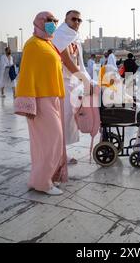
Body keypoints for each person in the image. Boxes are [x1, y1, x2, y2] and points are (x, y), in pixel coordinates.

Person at [14, 11, 77, 196]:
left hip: (53, 98)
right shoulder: (32, 45)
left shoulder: (48, 44)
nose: (53, 23)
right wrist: (28, 104)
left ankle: (39, 179)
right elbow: (26, 75)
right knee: (53, 140)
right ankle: (43, 183)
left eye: (55, 21)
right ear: (39, 22)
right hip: (40, 100)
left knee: (46, 143)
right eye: (49, 20)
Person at [52, 10, 92, 165]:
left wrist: (85, 79)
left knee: (68, 119)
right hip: (62, 81)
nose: (76, 22)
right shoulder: (61, 35)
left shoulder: (74, 37)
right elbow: (67, 60)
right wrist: (84, 79)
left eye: (79, 20)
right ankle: (58, 155)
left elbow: (78, 63)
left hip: (73, 82)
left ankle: (61, 153)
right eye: (73, 19)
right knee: (63, 118)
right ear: (65, 20)